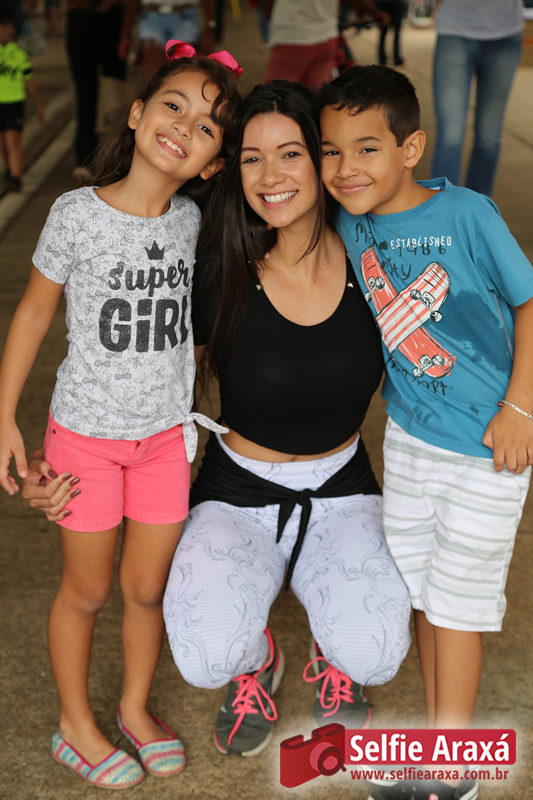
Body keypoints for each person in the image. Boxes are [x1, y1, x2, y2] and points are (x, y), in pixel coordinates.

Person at [20, 80, 413, 760]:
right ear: (230, 169)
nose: (271, 175)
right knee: (206, 656)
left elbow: (453, 333)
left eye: (291, 153)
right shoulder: (217, 262)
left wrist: (513, 412)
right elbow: (129, 366)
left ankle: (333, 643)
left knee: (372, 651)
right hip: (237, 488)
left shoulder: (372, 255)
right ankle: (257, 659)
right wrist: (53, 454)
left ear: (321, 159)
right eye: (251, 158)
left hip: (342, 486)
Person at [0, 44, 242, 788]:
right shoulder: (75, 214)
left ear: (212, 163)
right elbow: (33, 314)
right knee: (88, 592)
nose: (184, 127)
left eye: (207, 126)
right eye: (173, 105)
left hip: (165, 441)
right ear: (137, 114)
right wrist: (4, 418)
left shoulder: (192, 223)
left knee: (146, 590)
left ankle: (134, 709)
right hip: (86, 441)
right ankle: (74, 725)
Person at [318, 65, 533, 800]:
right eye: (331, 150)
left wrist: (520, 409)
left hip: (487, 447)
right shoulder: (350, 221)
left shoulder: (467, 214)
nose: (345, 168)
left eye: (366, 148)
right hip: (409, 439)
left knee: (458, 608)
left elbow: (530, 301)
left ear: (409, 149)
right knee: (424, 601)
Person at [430, 0, 524, 197]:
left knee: (489, 138)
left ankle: (477, 209)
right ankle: (443, 211)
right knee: (450, 138)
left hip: (506, 33)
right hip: (455, 29)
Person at [65, 0, 128, 182]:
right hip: (80, 16)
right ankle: (85, 158)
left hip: (114, 19)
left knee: (115, 92)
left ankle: (118, 155)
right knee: (86, 93)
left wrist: (125, 32)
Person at [263, 0, 390, 87]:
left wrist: (270, 13)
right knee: (316, 95)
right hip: (326, 36)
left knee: (273, 97)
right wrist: (374, 13)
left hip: (293, 36)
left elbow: (268, 9)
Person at [0, 5, 43, 192]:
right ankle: (10, 170)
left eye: (11, 25)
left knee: (13, 140)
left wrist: (39, 106)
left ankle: (16, 178)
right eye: (3, 26)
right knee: (2, 143)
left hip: (15, 103)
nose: (9, 30)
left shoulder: (19, 54)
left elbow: (30, 81)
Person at [120, 0, 217, 82]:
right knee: (153, 79)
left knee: (183, 76)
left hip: (186, 18)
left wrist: (210, 25)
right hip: (152, 17)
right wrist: (125, 34)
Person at [376, 0, 406, 65]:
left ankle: (382, 59)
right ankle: (396, 58)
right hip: (395, 3)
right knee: (396, 32)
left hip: (383, 3)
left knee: (383, 32)